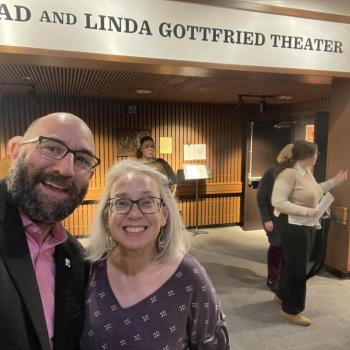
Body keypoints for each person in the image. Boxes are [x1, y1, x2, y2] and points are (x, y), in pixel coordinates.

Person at [80, 160, 229, 349]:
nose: (134, 214)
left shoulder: (189, 277)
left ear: (164, 215)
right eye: (122, 202)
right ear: (106, 215)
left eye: (147, 202)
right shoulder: (89, 270)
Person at [0, 112, 100, 350]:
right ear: (15, 151)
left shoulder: (76, 258)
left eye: (82, 160)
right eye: (52, 148)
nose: (66, 169)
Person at [271, 140, 347, 326]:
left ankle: (282, 294)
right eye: (316, 153)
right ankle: (292, 310)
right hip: (292, 226)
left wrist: (335, 181)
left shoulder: (305, 172)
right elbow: (278, 202)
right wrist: (307, 211)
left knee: (292, 263)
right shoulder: (288, 174)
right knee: (297, 268)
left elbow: (316, 190)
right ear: (308, 156)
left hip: (304, 224)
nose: (317, 156)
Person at [256, 144, 293, 291]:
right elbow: (261, 197)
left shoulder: (297, 173)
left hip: (291, 219)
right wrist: (266, 219)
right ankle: (272, 278)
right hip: (275, 218)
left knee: (287, 249)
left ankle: (282, 279)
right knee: (277, 247)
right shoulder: (272, 172)